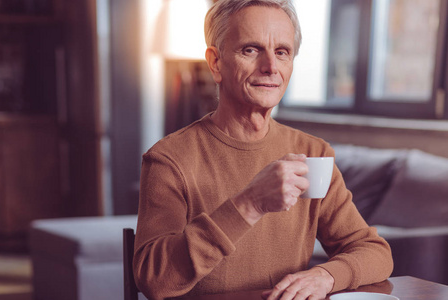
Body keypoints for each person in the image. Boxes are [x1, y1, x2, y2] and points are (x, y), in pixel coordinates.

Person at [133, 0, 393, 299]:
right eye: (251, 50)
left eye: (282, 52)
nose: (271, 67)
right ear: (215, 63)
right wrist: (249, 204)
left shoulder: (313, 153)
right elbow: (153, 279)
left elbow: (374, 252)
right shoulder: (169, 159)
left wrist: (327, 276)